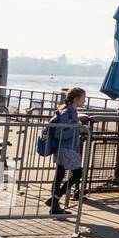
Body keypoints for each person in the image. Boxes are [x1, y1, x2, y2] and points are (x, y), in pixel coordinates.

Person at [45, 87, 87, 215]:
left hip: (67, 148)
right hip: (66, 149)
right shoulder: (67, 113)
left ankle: (54, 206)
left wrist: (78, 129)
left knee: (60, 174)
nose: (84, 102)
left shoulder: (70, 111)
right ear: (76, 99)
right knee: (78, 174)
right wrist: (76, 128)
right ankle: (55, 198)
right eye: (83, 99)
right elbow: (59, 133)